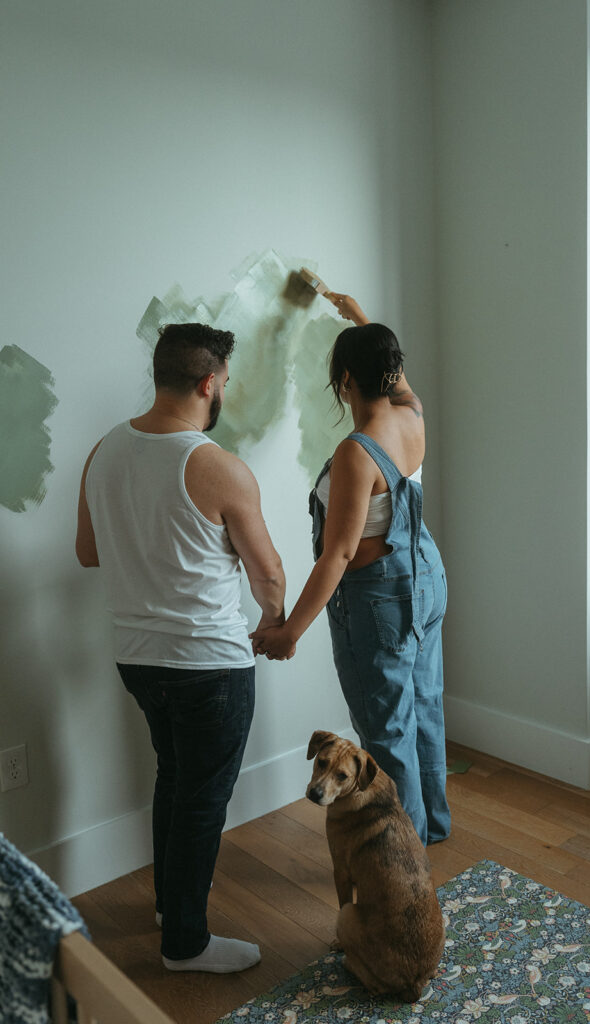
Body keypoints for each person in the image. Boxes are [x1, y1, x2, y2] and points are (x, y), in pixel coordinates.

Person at [76, 322, 288, 973]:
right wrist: (274, 621)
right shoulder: (217, 466)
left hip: (136, 657)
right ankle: (185, 945)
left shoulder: (103, 451)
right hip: (208, 664)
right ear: (207, 382)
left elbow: (87, 554)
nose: (222, 390)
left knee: (176, 779)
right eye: (223, 381)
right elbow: (269, 575)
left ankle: (173, 906)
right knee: (202, 798)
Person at [251, 294, 450, 846]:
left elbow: (337, 555)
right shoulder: (410, 414)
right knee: (425, 711)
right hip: (426, 579)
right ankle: (431, 827)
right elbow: (398, 375)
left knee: (386, 734)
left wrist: (290, 630)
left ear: (344, 379)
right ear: (391, 370)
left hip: (379, 601)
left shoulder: (356, 453)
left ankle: (402, 851)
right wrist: (363, 320)